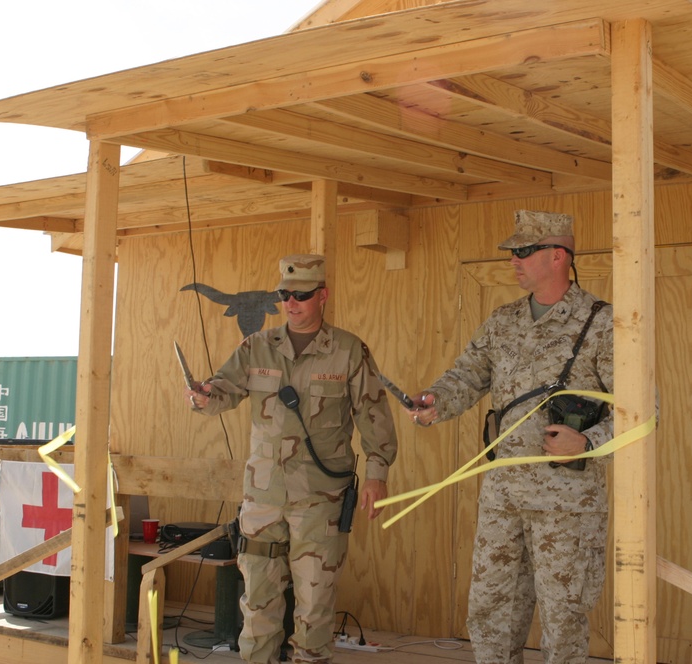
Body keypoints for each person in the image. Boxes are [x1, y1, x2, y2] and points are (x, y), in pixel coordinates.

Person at [407, 210, 614, 664]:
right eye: (512, 252)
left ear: (558, 256)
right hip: (503, 493)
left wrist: (589, 441)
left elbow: (641, 409)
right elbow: (468, 375)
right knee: (490, 607)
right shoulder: (503, 322)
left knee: (563, 616)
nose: (513, 261)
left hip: (567, 500)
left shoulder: (601, 323)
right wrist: (436, 401)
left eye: (523, 251)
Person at [184, 254, 398, 664]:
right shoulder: (257, 346)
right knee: (258, 605)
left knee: (315, 606)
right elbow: (222, 392)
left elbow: (374, 416)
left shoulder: (349, 351)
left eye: (301, 294)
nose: (291, 302)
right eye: (284, 294)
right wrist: (203, 397)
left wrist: (377, 475)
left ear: (323, 296)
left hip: (321, 501)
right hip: (263, 498)